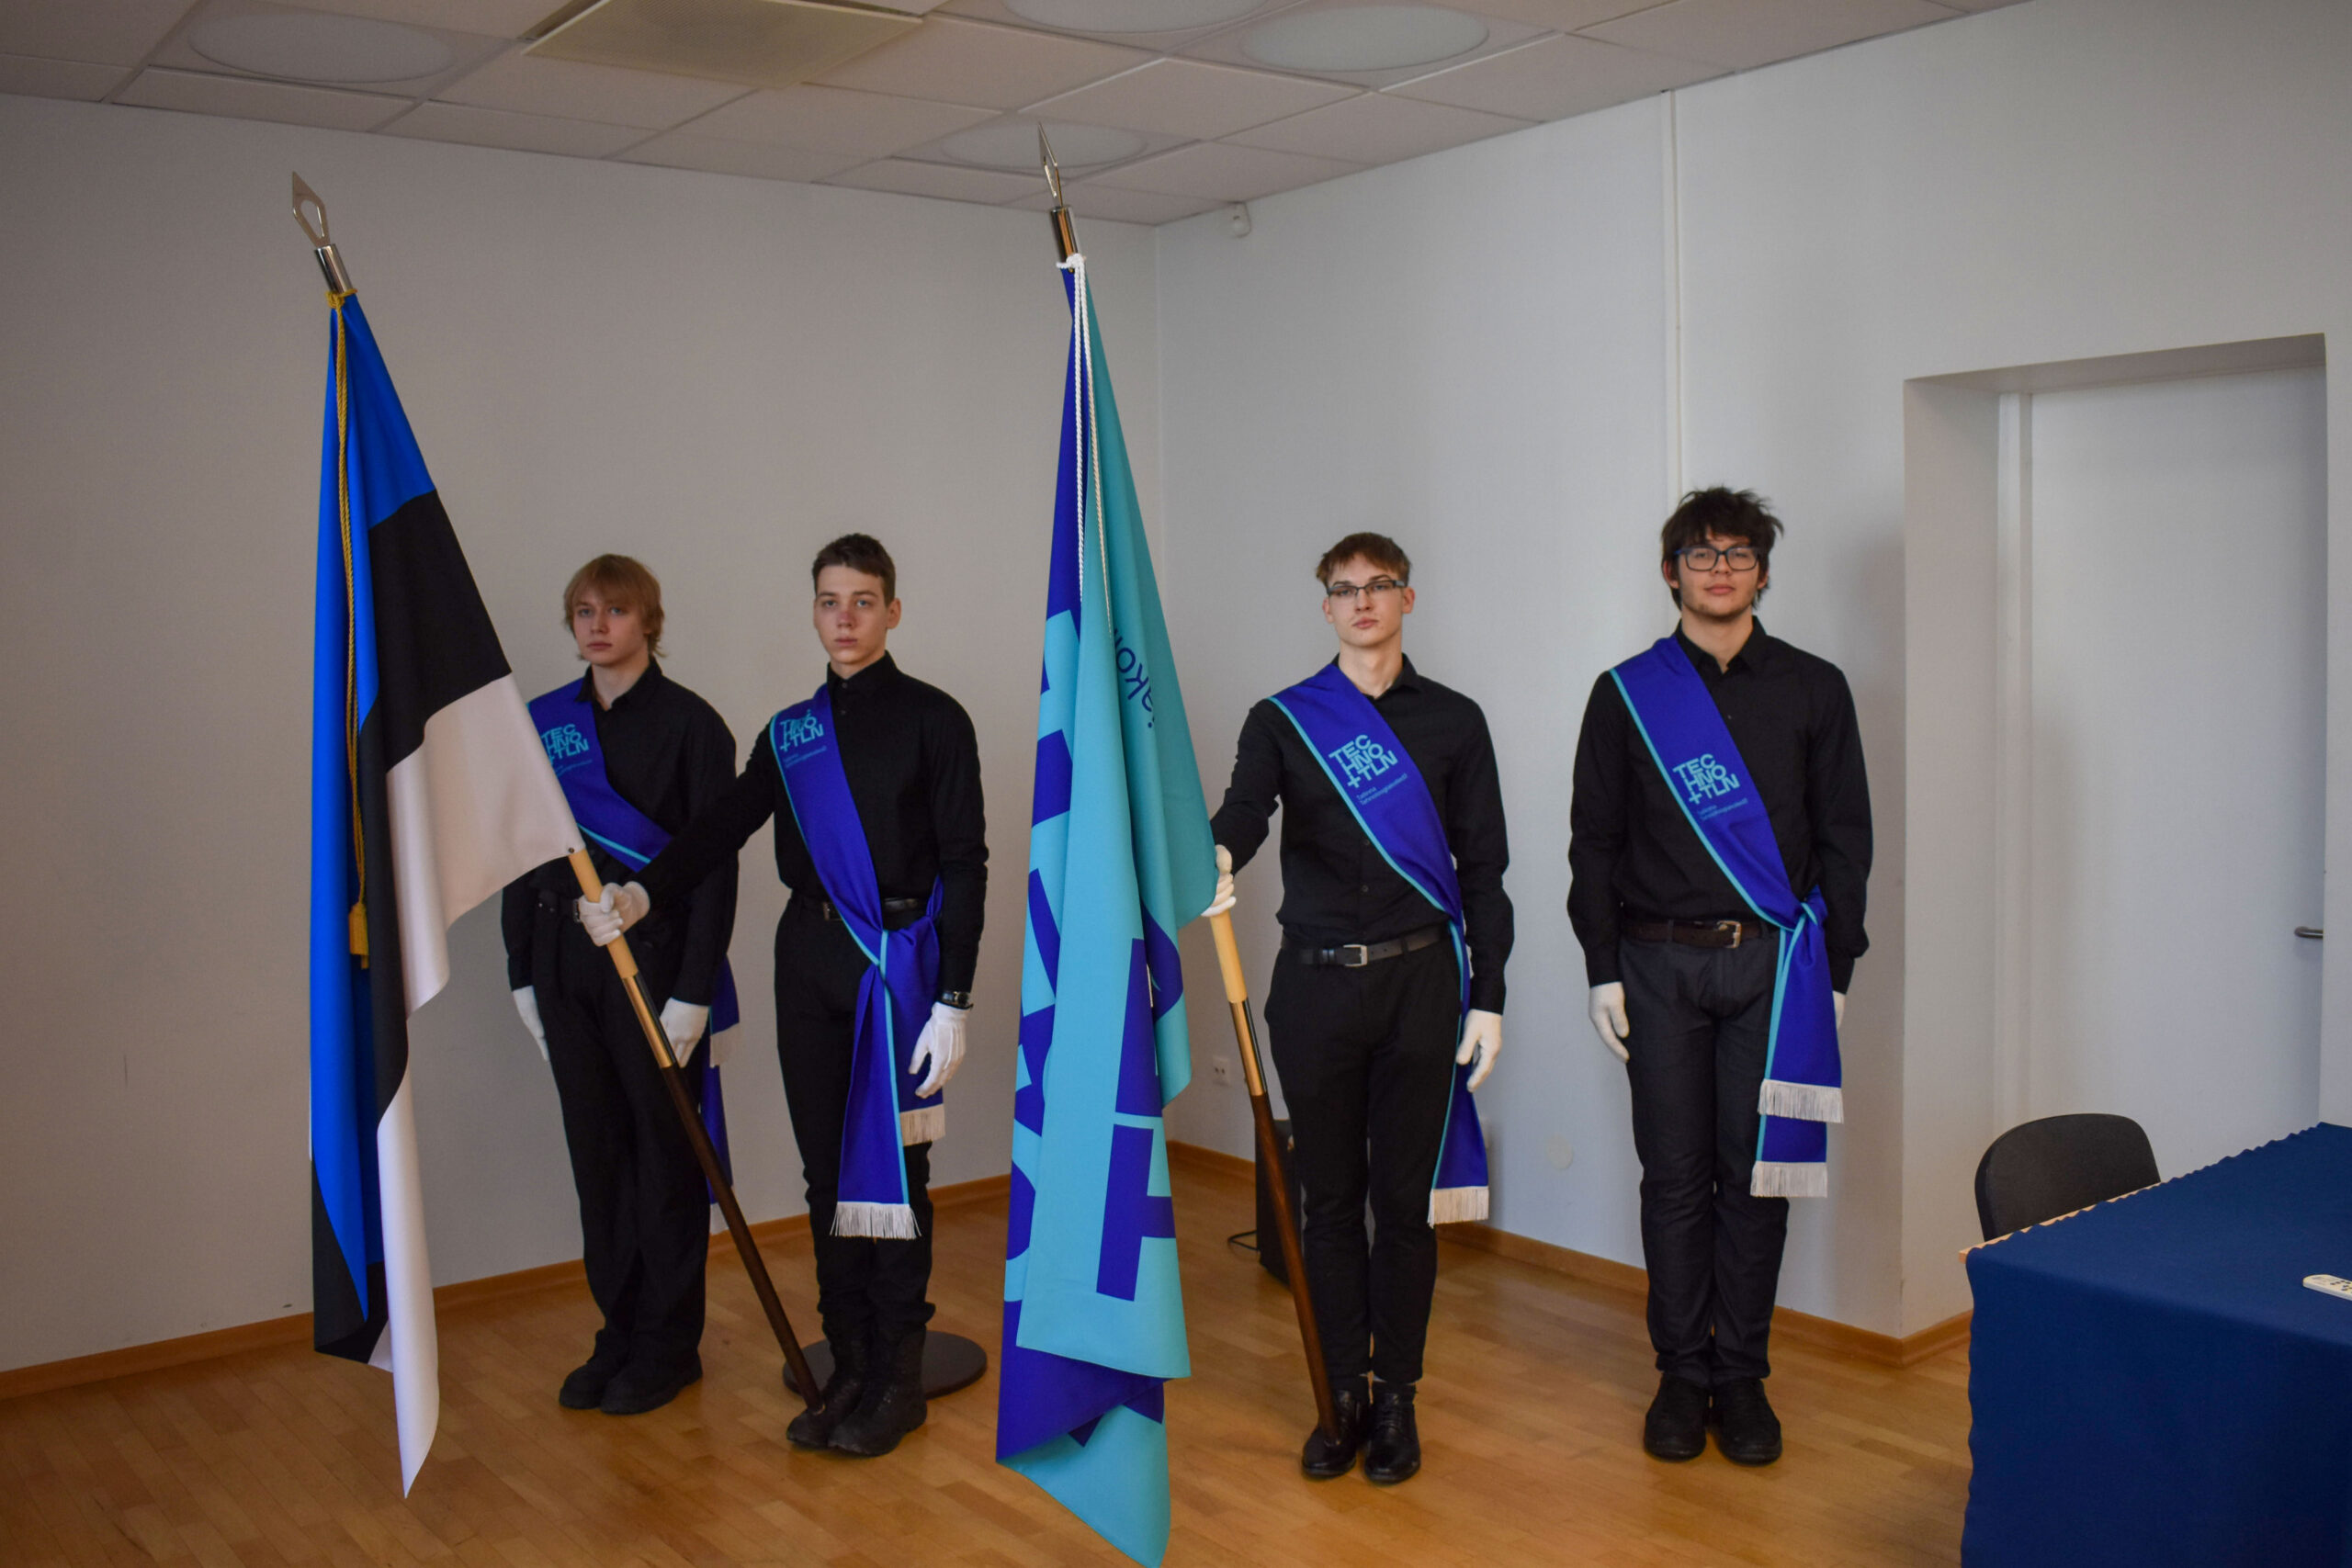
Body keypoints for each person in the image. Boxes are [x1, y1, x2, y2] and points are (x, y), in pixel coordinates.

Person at [581, 533, 986, 1458]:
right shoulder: (790, 733)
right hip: (806, 956)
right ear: (814, 611)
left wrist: (954, 996)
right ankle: (850, 1364)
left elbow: (966, 861)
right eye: (829, 601)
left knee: (898, 1173)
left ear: (892, 611)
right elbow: (719, 825)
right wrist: (644, 893)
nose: (845, 619)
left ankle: (898, 1378)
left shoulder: (936, 719)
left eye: (863, 601)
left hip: (894, 962)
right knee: (824, 1175)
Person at [1567, 487, 1871, 1467]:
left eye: (1739, 554)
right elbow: (1593, 842)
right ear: (1672, 572)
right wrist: (1601, 968)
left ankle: (1740, 1374)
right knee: (1673, 1176)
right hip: (1655, 964)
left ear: (1763, 572)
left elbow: (1845, 838)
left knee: (1754, 1175)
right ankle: (1678, 1372)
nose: (1721, 570)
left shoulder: (1816, 688)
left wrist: (1838, 969)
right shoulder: (1627, 693)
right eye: (1701, 554)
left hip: (1773, 969)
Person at [1208, 532, 1510, 1485]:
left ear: (1407, 598)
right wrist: (1214, 854)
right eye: (1344, 589)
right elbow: (1244, 813)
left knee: (1403, 1208)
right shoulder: (1284, 719)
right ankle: (1339, 1393)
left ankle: (1397, 1399)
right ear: (1326, 606)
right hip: (1317, 989)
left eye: (1379, 585)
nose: (1363, 601)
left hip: (1423, 986)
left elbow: (1484, 870)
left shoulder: (1455, 721)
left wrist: (1490, 996)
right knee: (1329, 1202)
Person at [503, 555, 740, 1416]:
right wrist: (521, 970)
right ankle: (620, 1330)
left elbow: (714, 866)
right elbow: (522, 849)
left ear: (649, 621)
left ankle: (669, 1344)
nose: (598, 626)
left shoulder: (693, 726)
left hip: (656, 963)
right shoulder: (543, 724)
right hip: (564, 962)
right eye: (584, 612)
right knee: (598, 1157)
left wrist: (695, 989)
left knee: (662, 1156)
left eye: (615, 611)